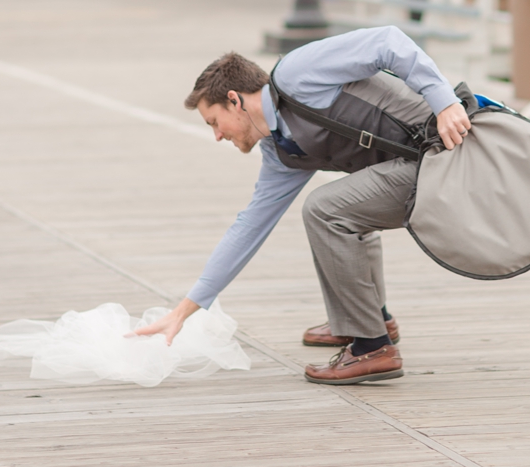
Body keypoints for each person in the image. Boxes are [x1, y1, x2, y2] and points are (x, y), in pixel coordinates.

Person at [133, 26, 473, 386]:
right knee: (347, 209)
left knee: (326, 210)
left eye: (214, 122)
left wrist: (445, 101)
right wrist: (185, 310)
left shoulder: (297, 74)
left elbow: (389, 41)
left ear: (235, 100)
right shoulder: (281, 150)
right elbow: (249, 227)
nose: (217, 135)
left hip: (445, 153)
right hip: (417, 171)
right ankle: (372, 318)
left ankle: (372, 347)